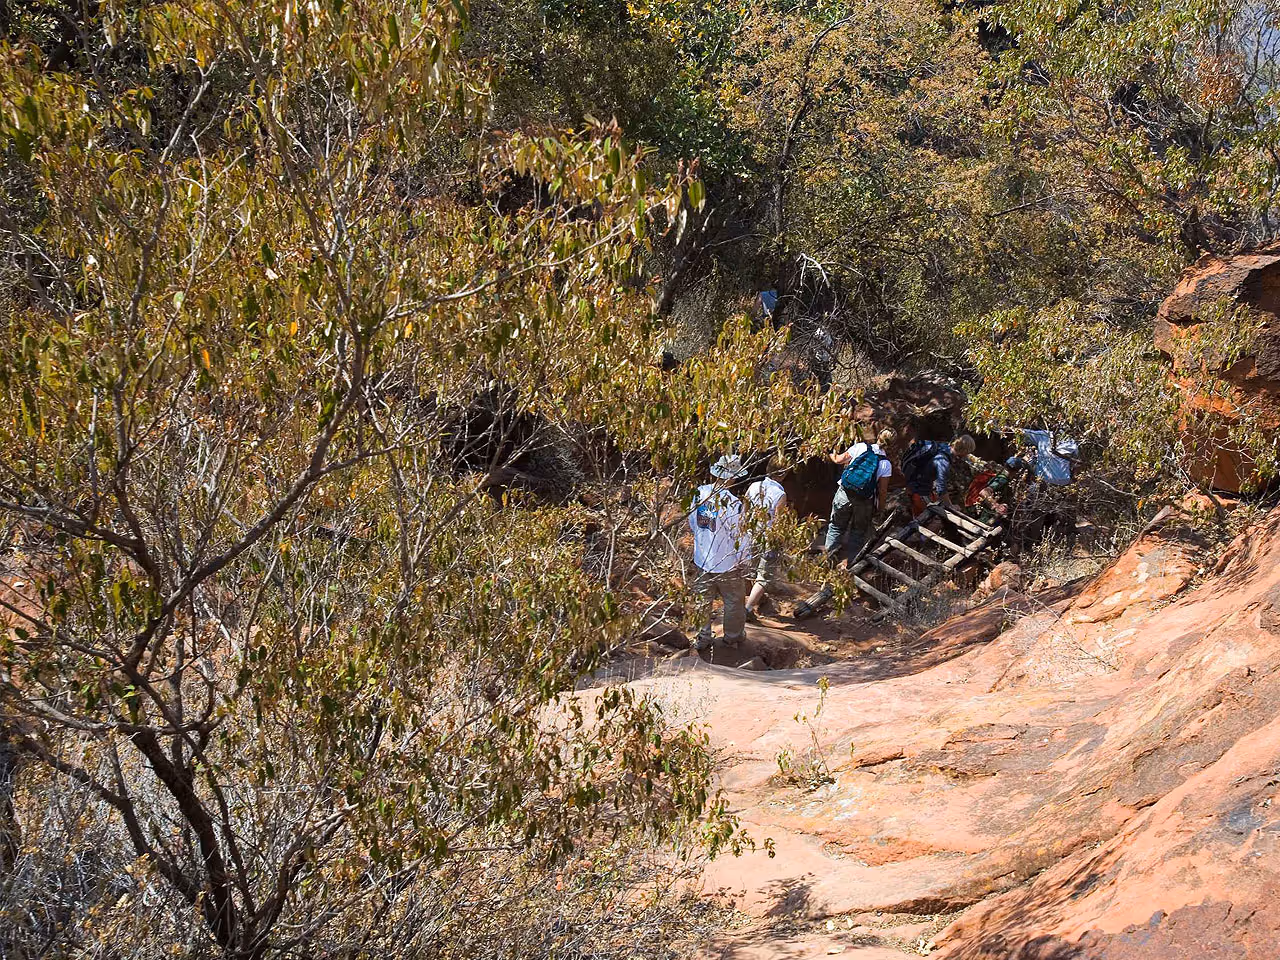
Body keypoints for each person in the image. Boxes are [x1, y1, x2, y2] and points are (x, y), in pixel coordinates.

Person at [688, 454, 753, 651]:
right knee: (733, 602)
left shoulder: (699, 494)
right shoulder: (734, 504)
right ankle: (732, 638)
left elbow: (693, 522)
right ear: (732, 477)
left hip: (702, 557)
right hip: (727, 562)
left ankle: (703, 636)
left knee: (702, 600)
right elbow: (741, 536)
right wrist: (745, 559)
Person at [823, 428, 895, 565]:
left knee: (836, 527)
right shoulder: (886, 464)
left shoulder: (861, 447)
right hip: (864, 501)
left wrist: (831, 453)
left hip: (844, 493)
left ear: (878, 435)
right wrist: (880, 509)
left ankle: (827, 562)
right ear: (892, 444)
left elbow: (838, 460)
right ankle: (850, 565)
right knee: (857, 533)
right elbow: (882, 491)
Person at [744, 461, 787, 621]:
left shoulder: (754, 486)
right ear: (782, 474)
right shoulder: (780, 494)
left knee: (751, 569)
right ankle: (747, 609)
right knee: (764, 576)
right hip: (768, 536)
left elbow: (744, 510)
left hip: (750, 532)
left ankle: (753, 601)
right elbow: (778, 522)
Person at [902, 433, 974, 517]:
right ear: (964, 451)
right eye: (968, 452)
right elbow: (941, 488)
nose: (967, 455)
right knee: (933, 520)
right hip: (919, 490)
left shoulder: (943, 447)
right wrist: (950, 506)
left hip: (918, 485)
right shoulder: (943, 460)